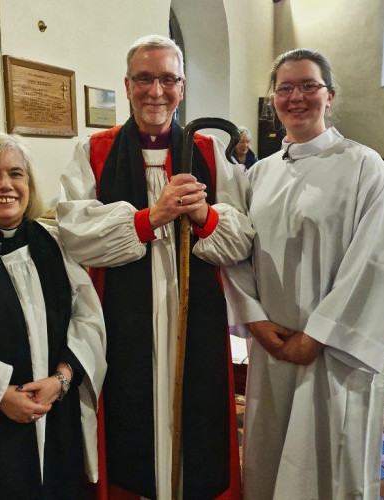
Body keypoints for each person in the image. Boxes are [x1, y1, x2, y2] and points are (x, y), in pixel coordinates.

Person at [57, 34, 254, 500]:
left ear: (182, 87)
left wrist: (204, 218)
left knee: (197, 421)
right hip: (124, 321)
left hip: (195, 317)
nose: (156, 91)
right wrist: (150, 219)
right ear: (127, 86)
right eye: (144, 79)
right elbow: (74, 231)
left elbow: (242, 236)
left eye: (168, 79)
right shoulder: (94, 152)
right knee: (131, 419)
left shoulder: (206, 151)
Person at [222, 49, 384, 499]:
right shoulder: (257, 174)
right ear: (273, 101)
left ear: (330, 95)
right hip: (273, 345)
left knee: (329, 463)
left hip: (335, 352)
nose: (295, 97)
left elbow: (374, 261)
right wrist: (256, 321)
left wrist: (316, 335)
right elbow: (237, 253)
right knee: (269, 456)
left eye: (308, 86)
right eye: (284, 88)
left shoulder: (364, 166)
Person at [0, 133, 107, 500]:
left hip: (55, 411)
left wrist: (61, 380)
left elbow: (87, 320)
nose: (5, 185)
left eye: (16, 173)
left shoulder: (55, 243)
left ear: (29, 183)